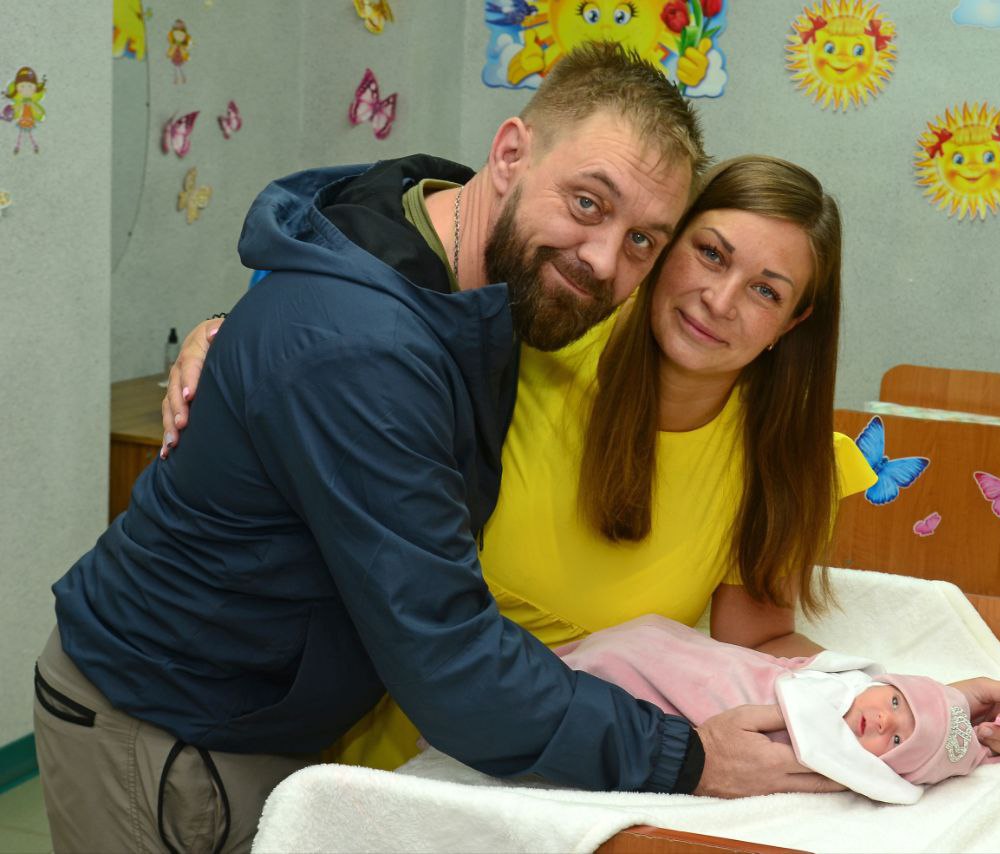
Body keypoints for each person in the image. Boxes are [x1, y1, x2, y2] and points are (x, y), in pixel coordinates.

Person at [35, 43, 816, 854]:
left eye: (643, 241)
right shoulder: (365, 347)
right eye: (588, 203)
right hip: (164, 730)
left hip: (274, 722)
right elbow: (449, 658)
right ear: (509, 155)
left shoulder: (474, 271)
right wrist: (689, 757)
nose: (602, 260)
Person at [166, 155, 1000, 777]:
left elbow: (760, 647)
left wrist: (917, 708)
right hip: (389, 743)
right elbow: (358, 324)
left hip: (590, 766)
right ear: (660, 245)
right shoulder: (533, 341)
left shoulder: (785, 461)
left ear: (794, 324)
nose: (719, 301)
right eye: (710, 254)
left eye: (766, 291)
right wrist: (229, 333)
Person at [556, 615, 1000, 804]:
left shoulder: (829, 753)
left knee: (609, 674)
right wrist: (952, 705)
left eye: (896, 740)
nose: (885, 719)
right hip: (666, 646)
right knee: (647, 647)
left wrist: (981, 744)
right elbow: (760, 665)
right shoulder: (844, 682)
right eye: (896, 701)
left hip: (642, 679)